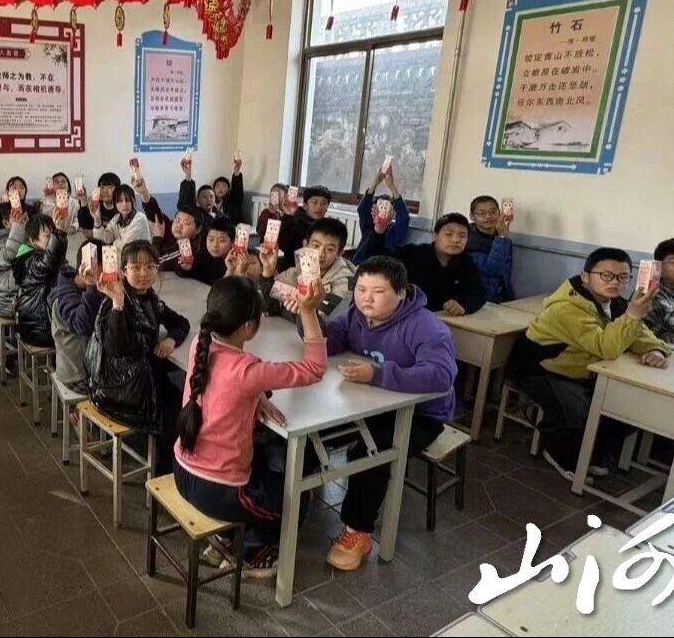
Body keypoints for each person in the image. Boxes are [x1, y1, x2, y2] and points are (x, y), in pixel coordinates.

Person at [174, 276, 326, 578]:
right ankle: (254, 552)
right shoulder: (247, 371)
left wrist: (257, 397)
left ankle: (226, 535)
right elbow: (314, 368)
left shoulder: (199, 346)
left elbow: (224, 385)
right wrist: (308, 312)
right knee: (297, 496)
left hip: (182, 470)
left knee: (263, 462)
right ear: (248, 328)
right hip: (218, 490)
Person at [320, 257, 457, 571]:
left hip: (421, 414)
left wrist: (378, 374)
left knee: (372, 450)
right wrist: (309, 314)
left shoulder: (426, 326)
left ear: (402, 292)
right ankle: (298, 498)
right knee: (321, 431)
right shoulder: (356, 314)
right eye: (361, 289)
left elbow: (441, 376)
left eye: (378, 291)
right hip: (370, 403)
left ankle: (358, 530)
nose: (366, 298)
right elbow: (331, 340)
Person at [511, 248, 672, 482]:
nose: (614, 282)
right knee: (579, 409)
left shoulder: (615, 304)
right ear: (586, 277)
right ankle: (558, 453)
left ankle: (589, 454)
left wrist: (655, 349)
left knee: (625, 405)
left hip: (582, 372)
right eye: (606, 275)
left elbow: (641, 335)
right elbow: (605, 347)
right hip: (541, 370)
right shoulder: (566, 308)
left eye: (622, 277)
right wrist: (633, 316)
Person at [88, 240, 190, 475]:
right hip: (118, 387)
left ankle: (172, 461)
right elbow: (116, 348)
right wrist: (117, 301)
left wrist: (171, 340)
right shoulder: (116, 300)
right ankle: (164, 470)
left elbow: (180, 323)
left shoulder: (149, 298)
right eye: (135, 267)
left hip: (139, 376)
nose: (144, 273)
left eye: (150, 266)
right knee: (174, 405)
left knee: (180, 398)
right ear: (123, 271)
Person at [359, 213, 486, 317]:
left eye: (462, 236)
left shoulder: (466, 263)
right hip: (405, 317)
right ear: (435, 236)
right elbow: (377, 259)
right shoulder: (414, 253)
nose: (456, 240)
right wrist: (379, 231)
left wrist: (464, 307)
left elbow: (479, 294)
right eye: (449, 234)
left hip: (442, 321)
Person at [260, 218, 355, 319]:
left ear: (340, 253)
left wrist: (302, 308)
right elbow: (271, 306)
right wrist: (268, 270)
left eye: (330, 249)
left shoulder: (346, 281)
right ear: (305, 245)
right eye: (316, 246)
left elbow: (328, 320)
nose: (321, 254)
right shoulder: (297, 271)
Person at [49, 240, 107, 395]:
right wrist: (91, 285)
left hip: (92, 367)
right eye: (103, 269)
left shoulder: (93, 289)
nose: (105, 275)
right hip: (77, 375)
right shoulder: (65, 295)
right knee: (125, 392)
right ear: (85, 267)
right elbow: (83, 326)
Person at [13, 214, 68, 349]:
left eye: (52, 235)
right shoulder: (28, 260)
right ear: (33, 240)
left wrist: (59, 233)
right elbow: (47, 263)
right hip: (38, 329)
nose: (51, 240)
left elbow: (57, 258)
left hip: (42, 324)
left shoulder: (41, 256)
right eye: (48, 236)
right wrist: (57, 234)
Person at [352, 166, 409, 264]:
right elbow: (362, 209)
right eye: (380, 206)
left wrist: (391, 186)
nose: (382, 209)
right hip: (359, 266)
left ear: (393, 213)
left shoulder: (394, 231)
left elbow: (403, 217)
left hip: (381, 268)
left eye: (386, 207)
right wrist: (375, 183)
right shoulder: (369, 226)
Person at [467, 196, 515, 303]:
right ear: (472, 217)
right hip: (479, 300)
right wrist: (501, 238)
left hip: (501, 299)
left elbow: (506, 274)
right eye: (482, 213)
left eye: (493, 212)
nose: (488, 216)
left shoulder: (503, 238)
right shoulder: (469, 240)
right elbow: (492, 271)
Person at [93, 185, 152, 251]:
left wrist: (115, 242)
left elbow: (127, 248)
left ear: (133, 202)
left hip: (141, 256)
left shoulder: (140, 219)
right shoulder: (116, 218)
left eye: (128, 200)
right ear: (115, 204)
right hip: (122, 256)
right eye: (120, 201)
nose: (124, 204)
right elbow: (104, 239)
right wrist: (97, 221)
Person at [211, 154, 246, 225]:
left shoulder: (233, 201)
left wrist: (236, 172)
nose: (220, 188)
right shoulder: (211, 203)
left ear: (228, 190)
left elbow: (237, 190)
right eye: (217, 186)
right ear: (213, 190)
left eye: (224, 186)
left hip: (233, 228)